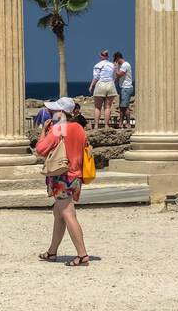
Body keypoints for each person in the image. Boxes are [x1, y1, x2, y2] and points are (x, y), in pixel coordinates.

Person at [35, 98, 90, 267]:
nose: (52, 113)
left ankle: (82, 255)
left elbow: (40, 149)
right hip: (76, 176)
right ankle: (52, 251)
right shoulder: (80, 129)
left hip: (62, 177)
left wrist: (44, 131)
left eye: (54, 111)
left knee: (67, 214)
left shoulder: (59, 129)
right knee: (58, 214)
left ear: (62, 112)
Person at [89, 50, 117, 129]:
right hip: (110, 85)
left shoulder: (98, 65)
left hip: (101, 85)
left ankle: (96, 125)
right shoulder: (112, 65)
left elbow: (96, 77)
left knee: (97, 107)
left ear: (101, 56)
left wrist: (91, 86)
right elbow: (115, 76)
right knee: (107, 107)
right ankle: (106, 125)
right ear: (107, 56)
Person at [113, 52, 133, 128]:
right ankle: (121, 123)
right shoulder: (122, 66)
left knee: (125, 107)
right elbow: (118, 78)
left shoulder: (125, 65)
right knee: (122, 107)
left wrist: (115, 68)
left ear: (118, 58)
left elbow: (119, 74)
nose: (115, 61)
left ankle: (128, 123)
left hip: (126, 88)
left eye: (115, 59)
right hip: (123, 88)